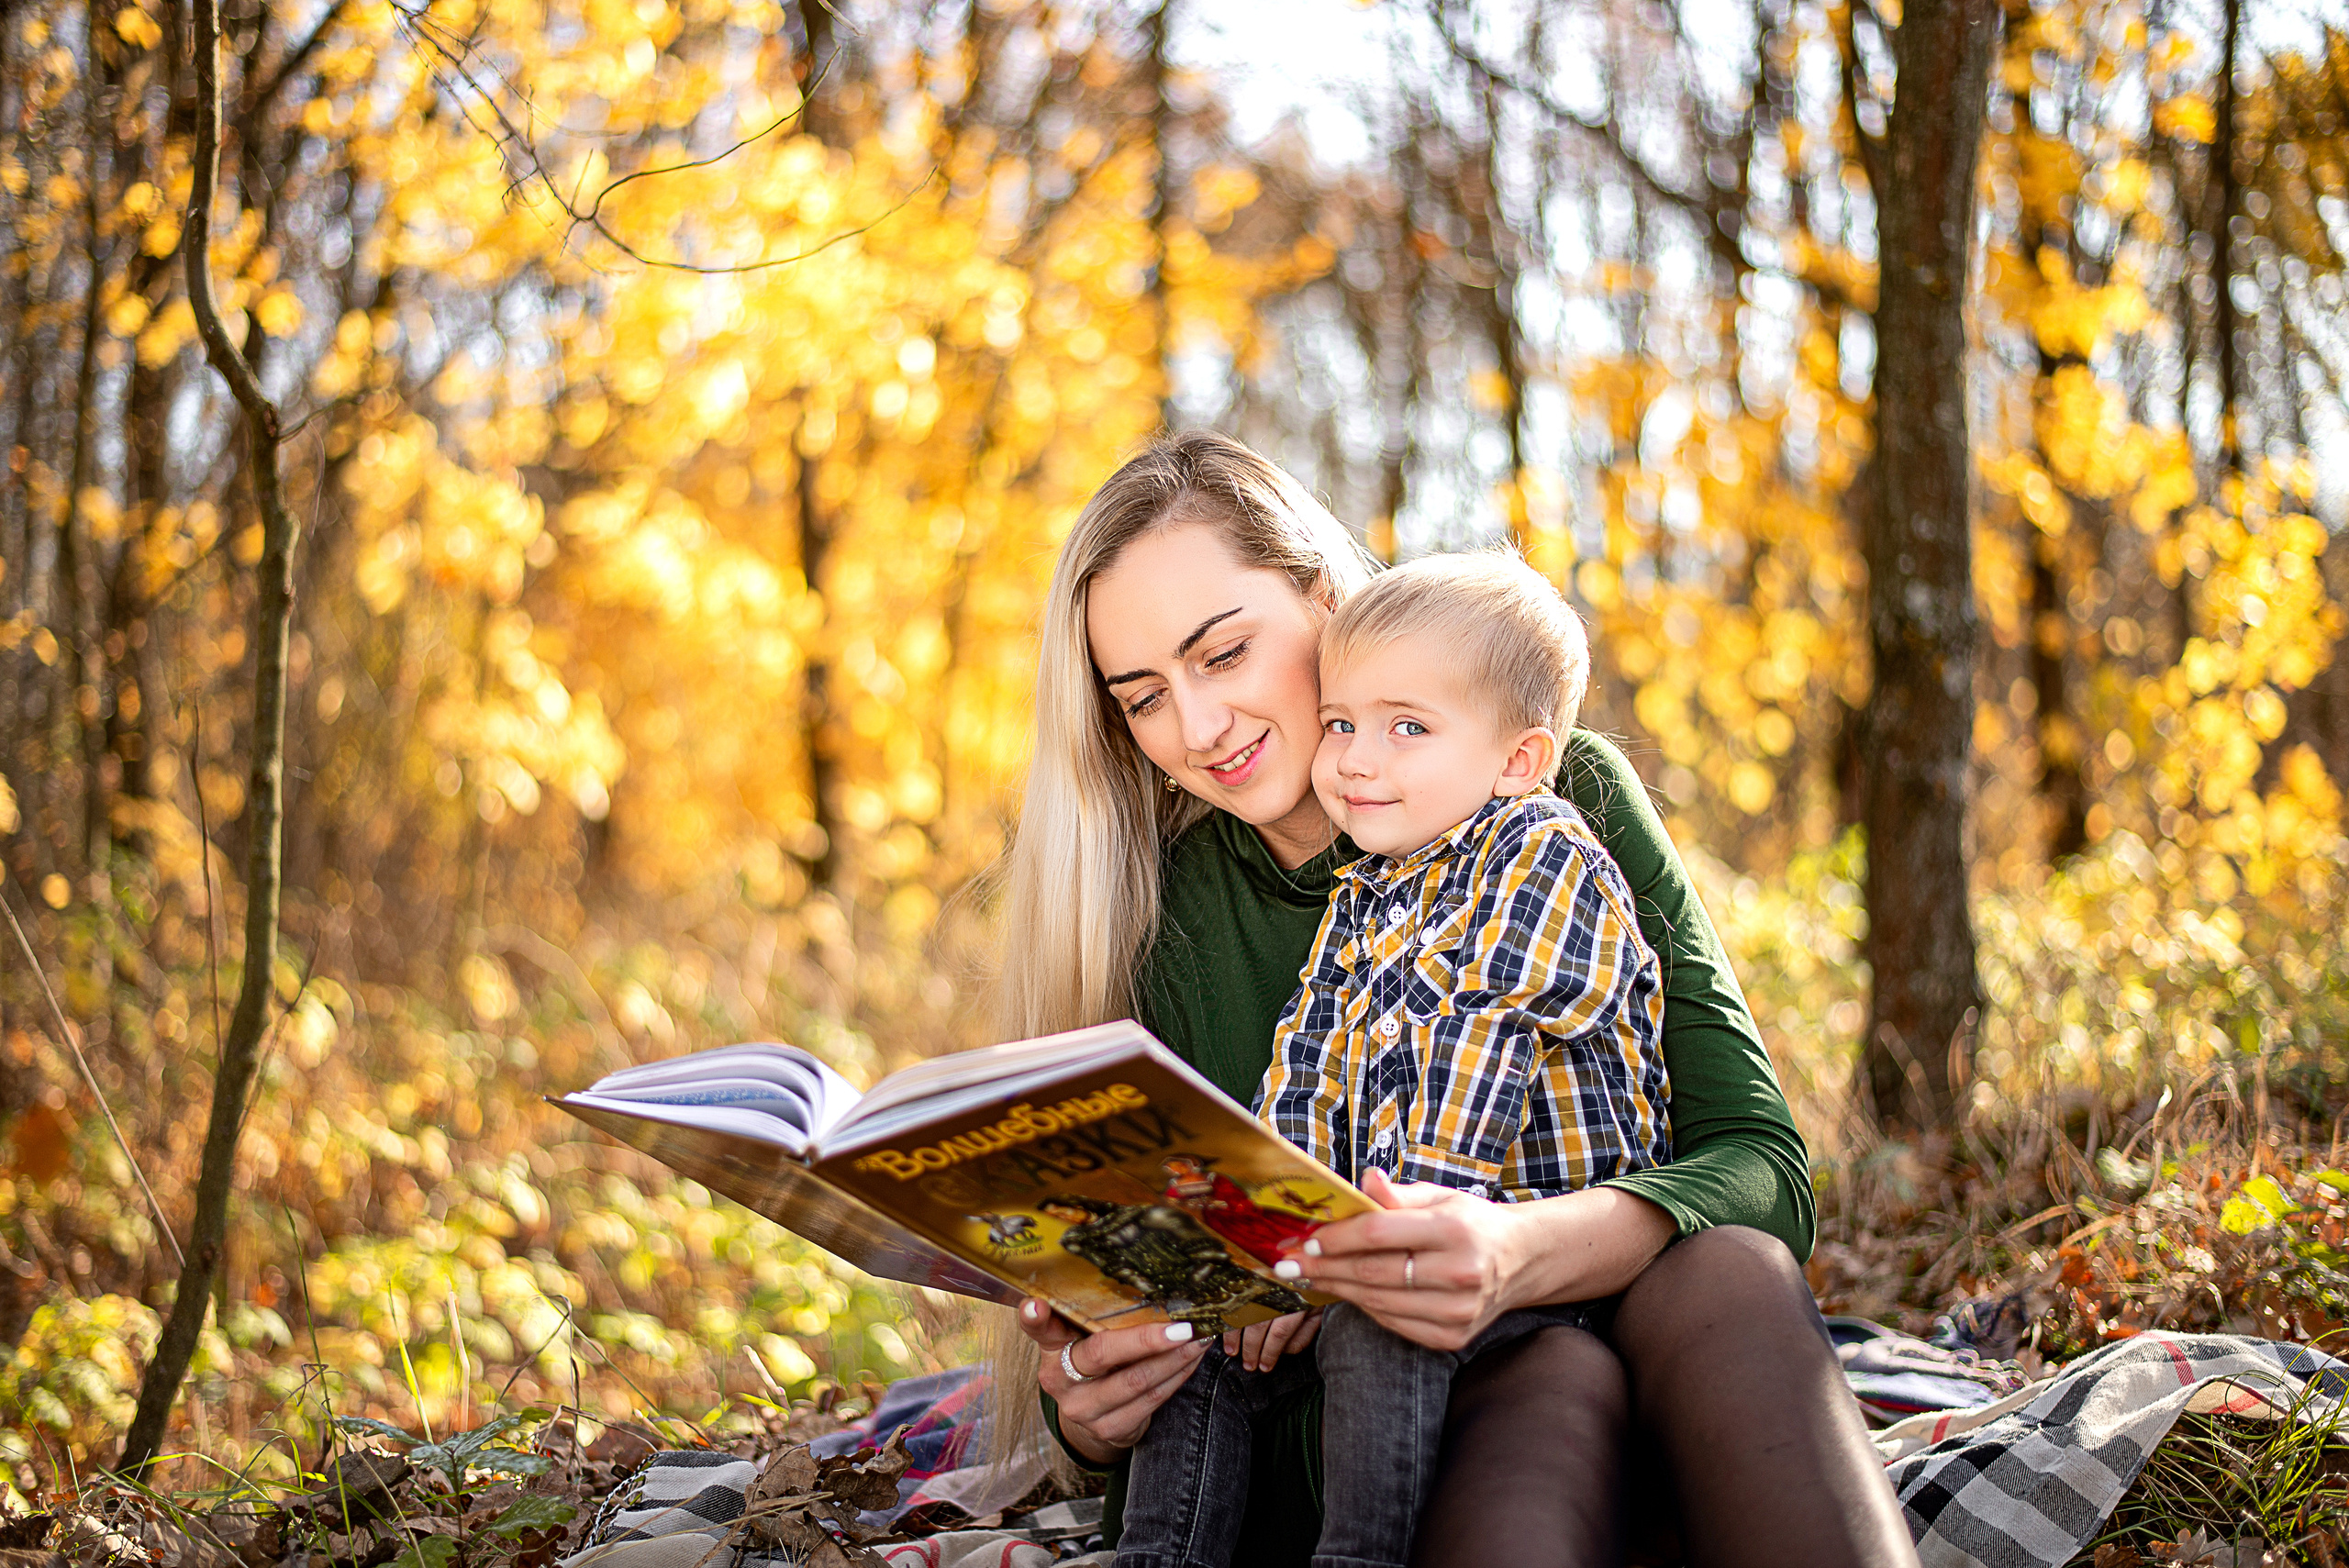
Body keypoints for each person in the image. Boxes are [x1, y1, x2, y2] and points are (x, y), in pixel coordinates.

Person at [993, 431, 1918, 1568]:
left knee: (1725, 1267)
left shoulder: (1546, 787)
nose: (1198, 728)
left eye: (1223, 654)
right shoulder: (1167, 912)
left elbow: (1761, 1169)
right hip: (1352, 1435)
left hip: (1643, 1350)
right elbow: (1139, 1306)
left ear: (1325, 601)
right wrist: (1088, 1404)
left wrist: (1513, 1251)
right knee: (1545, 1375)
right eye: (1143, 698)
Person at [1116, 552, 1673, 1568]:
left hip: (1525, 1256)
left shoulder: (1541, 849)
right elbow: (1306, 1069)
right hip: (1380, 1246)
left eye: (1406, 727)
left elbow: (1480, 1038)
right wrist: (1269, 1247)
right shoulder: (1368, 890)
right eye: (1341, 723)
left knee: (1380, 1327)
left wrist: (1382, 1240)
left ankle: (1359, 1554)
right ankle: (1161, 1553)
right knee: (1198, 1337)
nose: (1356, 760)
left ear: (1516, 759)